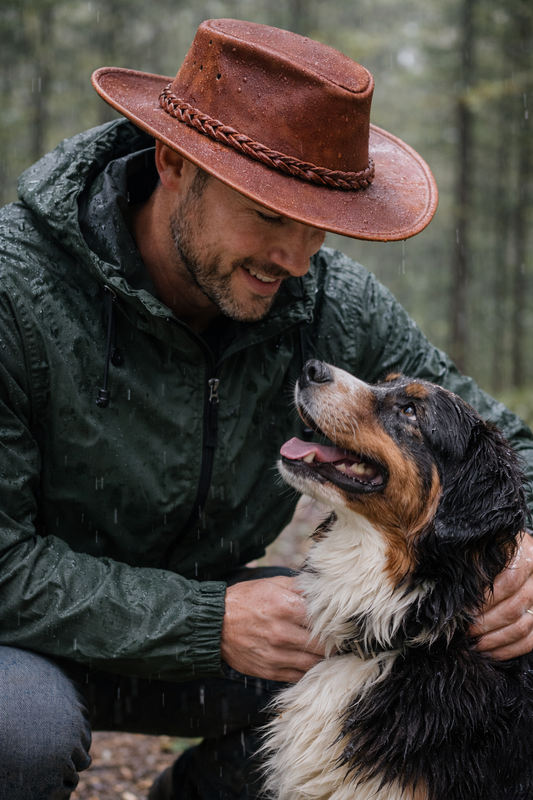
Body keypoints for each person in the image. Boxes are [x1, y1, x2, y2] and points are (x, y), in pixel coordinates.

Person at [0, 18, 532, 800]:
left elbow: (502, 444)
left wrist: (526, 548)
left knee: (423, 644)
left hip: (204, 651)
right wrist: (206, 619)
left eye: (317, 226)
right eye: (268, 215)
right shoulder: (15, 292)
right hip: (23, 645)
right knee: (20, 733)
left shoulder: (329, 303)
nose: (294, 259)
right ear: (174, 162)